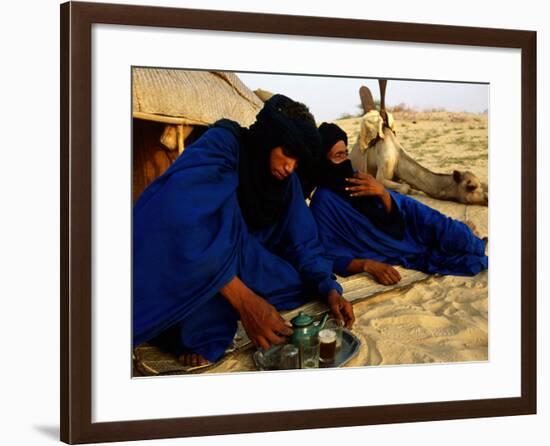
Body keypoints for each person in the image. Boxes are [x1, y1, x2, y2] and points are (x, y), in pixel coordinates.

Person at [133, 96, 354, 367]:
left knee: (301, 282)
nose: (289, 167)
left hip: (245, 259)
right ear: (269, 138)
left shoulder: (287, 182)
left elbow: (304, 241)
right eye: (287, 153)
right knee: (203, 320)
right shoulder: (223, 145)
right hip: (195, 255)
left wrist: (329, 287)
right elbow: (176, 218)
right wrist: (245, 301)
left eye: (298, 162)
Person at [308, 122, 488, 286]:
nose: (346, 161)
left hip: (410, 223)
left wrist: (382, 193)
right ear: (324, 161)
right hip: (395, 246)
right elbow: (326, 255)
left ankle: (469, 235)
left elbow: (399, 210)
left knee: (462, 239)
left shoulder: (357, 178)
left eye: (346, 153)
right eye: (339, 156)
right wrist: (368, 265)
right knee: (468, 260)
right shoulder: (323, 203)